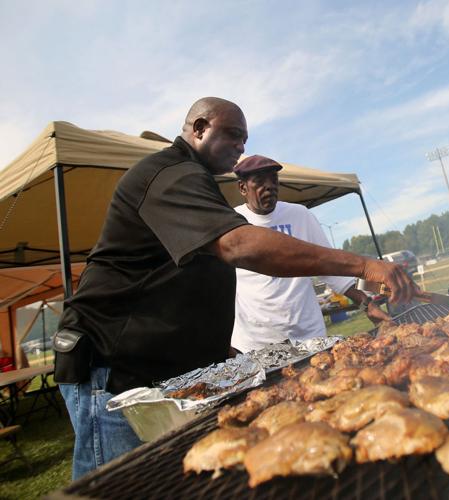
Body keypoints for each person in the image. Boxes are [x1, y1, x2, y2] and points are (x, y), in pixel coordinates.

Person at [54, 97, 417, 480]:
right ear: (198, 129)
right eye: (233, 135)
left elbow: (181, 281)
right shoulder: (169, 174)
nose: (241, 146)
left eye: (245, 139)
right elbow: (239, 246)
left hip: (153, 369)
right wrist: (363, 265)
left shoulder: (196, 184)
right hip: (108, 368)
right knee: (120, 487)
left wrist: (216, 347)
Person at [230, 155, 390, 353]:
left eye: (273, 179)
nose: (269, 186)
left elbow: (332, 268)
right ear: (242, 187)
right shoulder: (232, 223)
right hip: (258, 343)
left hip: (309, 336)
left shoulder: (299, 215)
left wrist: (367, 304)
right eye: (260, 181)